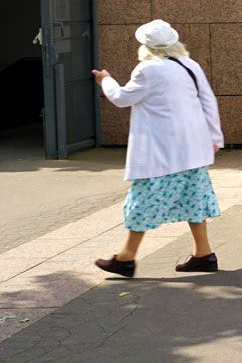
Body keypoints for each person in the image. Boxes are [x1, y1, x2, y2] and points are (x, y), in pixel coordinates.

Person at [91, 19, 224, 277]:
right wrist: (215, 138)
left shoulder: (148, 70)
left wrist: (105, 80)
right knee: (193, 199)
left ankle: (126, 258)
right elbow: (208, 101)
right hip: (193, 148)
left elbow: (120, 98)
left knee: (141, 201)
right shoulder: (190, 65)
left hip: (162, 152)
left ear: (146, 47)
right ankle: (203, 254)